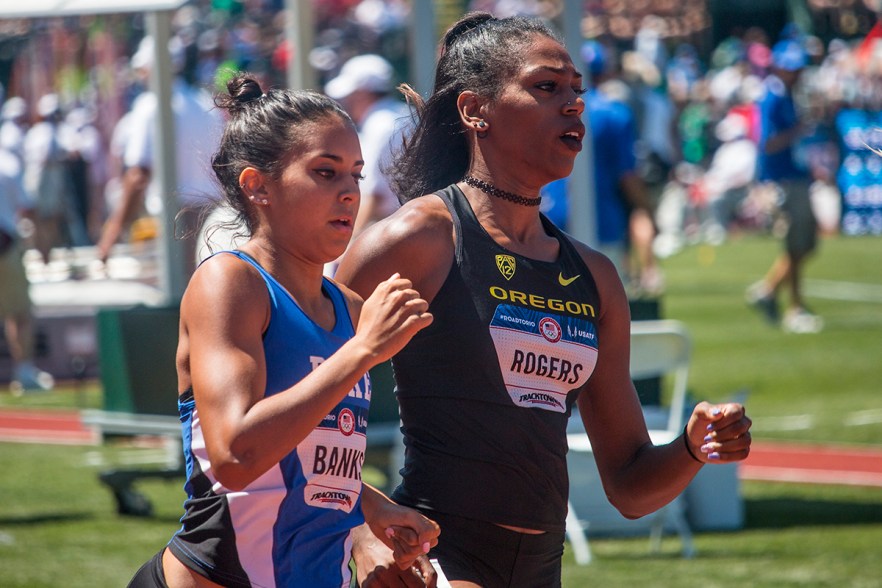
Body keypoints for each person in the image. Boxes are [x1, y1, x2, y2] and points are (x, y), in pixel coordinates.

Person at [336, 12, 752, 588]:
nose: (574, 105)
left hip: (542, 571)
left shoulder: (596, 277)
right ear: (475, 110)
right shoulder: (419, 238)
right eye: (546, 87)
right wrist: (364, 531)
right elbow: (293, 407)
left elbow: (630, 486)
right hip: (430, 564)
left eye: (577, 91)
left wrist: (692, 445)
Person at [127, 74, 439, 587]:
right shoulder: (230, 283)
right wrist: (360, 352)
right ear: (257, 185)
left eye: (356, 175)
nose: (348, 192)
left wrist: (370, 509)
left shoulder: (350, 308)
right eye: (325, 172)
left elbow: (302, 456)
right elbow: (235, 457)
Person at [96, 34, 223, 278]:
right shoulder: (204, 103)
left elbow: (138, 176)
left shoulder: (150, 106)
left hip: (176, 221)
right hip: (213, 216)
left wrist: (110, 235)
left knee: (181, 296)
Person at [746, 39, 823, 334]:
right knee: (796, 244)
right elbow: (767, 142)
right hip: (785, 180)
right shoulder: (773, 96)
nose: (797, 73)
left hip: (795, 176)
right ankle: (794, 307)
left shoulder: (786, 93)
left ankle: (768, 290)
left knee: (806, 243)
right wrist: (798, 131)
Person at [325, 54, 410, 236]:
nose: (346, 102)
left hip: (390, 227)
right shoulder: (407, 114)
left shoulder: (378, 125)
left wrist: (349, 242)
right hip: (410, 222)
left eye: (350, 95)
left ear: (362, 93)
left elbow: (373, 194)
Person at [0, 121, 54, 394]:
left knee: (17, 313)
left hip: (7, 244)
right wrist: (43, 245)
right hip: (6, 246)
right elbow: (28, 209)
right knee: (19, 313)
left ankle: (23, 370)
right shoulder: (7, 162)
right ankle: (23, 370)